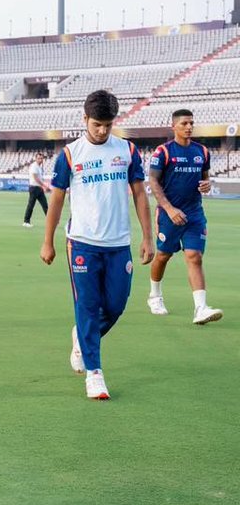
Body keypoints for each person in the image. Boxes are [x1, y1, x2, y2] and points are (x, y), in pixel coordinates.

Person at [41, 90, 153, 400]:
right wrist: (47, 241)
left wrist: (147, 235)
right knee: (88, 307)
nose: (102, 130)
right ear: (85, 119)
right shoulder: (69, 154)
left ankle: (81, 336)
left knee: (115, 306)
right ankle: (94, 373)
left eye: (108, 124)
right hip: (82, 244)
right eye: (97, 124)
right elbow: (57, 199)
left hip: (119, 243)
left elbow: (141, 194)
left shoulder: (127, 151)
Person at [145, 108, 222, 324]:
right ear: (174, 126)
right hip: (169, 214)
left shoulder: (202, 152)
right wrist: (169, 209)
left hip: (194, 214)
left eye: (191, 123)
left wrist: (207, 184)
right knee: (163, 256)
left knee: (194, 256)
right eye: (184, 124)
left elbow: (205, 179)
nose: (189, 127)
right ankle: (155, 296)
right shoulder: (164, 152)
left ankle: (201, 308)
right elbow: (153, 182)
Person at [22, 152, 51, 227]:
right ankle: (26, 221)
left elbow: (39, 178)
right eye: (39, 158)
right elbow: (35, 178)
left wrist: (43, 186)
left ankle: (50, 221)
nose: (40, 160)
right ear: (36, 159)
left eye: (41, 158)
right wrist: (44, 185)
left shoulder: (39, 167)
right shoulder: (34, 166)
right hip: (34, 188)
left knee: (45, 205)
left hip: (39, 188)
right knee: (31, 205)